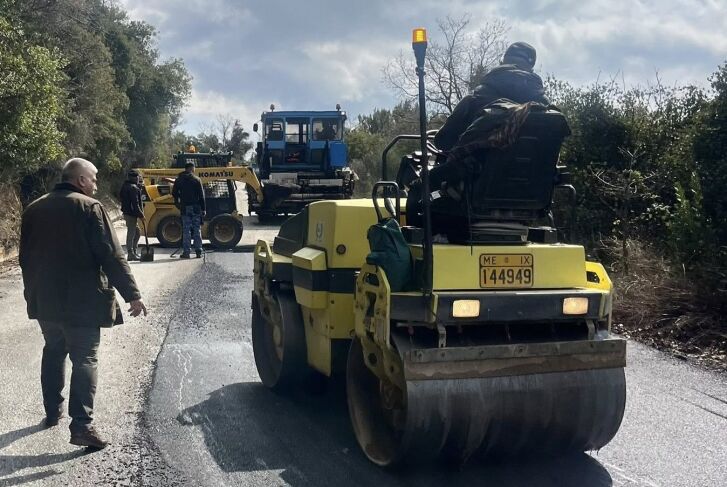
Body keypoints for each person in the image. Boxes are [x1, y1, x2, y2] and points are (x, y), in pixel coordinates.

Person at [19, 158, 148, 450]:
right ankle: (82, 426)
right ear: (80, 180)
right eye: (94, 179)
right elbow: (111, 255)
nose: (96, 185)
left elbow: (25, 257)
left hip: (45, 301)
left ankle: (52, 411)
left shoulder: (33, 208)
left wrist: (33, 294)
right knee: (85, 359)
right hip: (82, 301)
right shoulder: (90, 208)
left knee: (53, 350)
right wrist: (133, 294)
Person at [433, 41, 549, 152]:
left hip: (476, 165)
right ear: (530, 67)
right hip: (535, 166)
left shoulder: (474, 98)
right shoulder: (544, 106)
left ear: (503, 62)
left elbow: (442, 142)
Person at [172, 161, 206, 258]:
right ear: (191, 168)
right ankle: (198, 251)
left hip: (185, 208)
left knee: (186, 230)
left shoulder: (179, 180)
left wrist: (178, 203)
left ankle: (186, 252)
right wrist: (203, 209)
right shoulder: (197, 180)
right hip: (196, 208)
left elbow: (174, 193)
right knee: (197, 229)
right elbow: (201, 196)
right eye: (194, 168)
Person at [119, 169, 144, 261]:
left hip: (128, 213)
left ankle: (134, 252)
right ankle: (130, 253)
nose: (138, 179)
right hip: (131, 214)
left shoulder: (125, 186)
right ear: (134, 178)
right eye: (137, 177)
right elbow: (135, 204)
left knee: (137, 232)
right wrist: (141, 215)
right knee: (132, 233)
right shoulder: (133, 188)